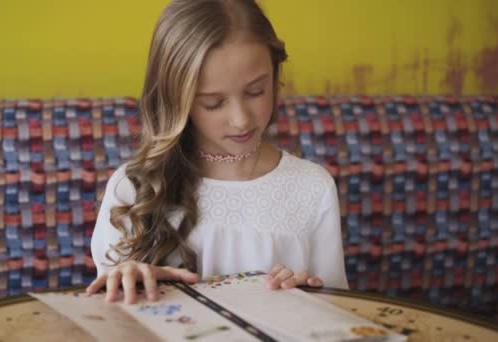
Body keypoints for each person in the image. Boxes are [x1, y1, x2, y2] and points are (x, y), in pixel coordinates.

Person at [87, 0, 348, 304]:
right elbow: (109, 320)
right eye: (213, 103)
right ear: (176, 101)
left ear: (275, 75)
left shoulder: (312, 187)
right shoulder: (133, 188)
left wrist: (311, 296)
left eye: (256, 91)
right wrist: (125, 280)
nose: (241, 119)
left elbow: (339, 311)